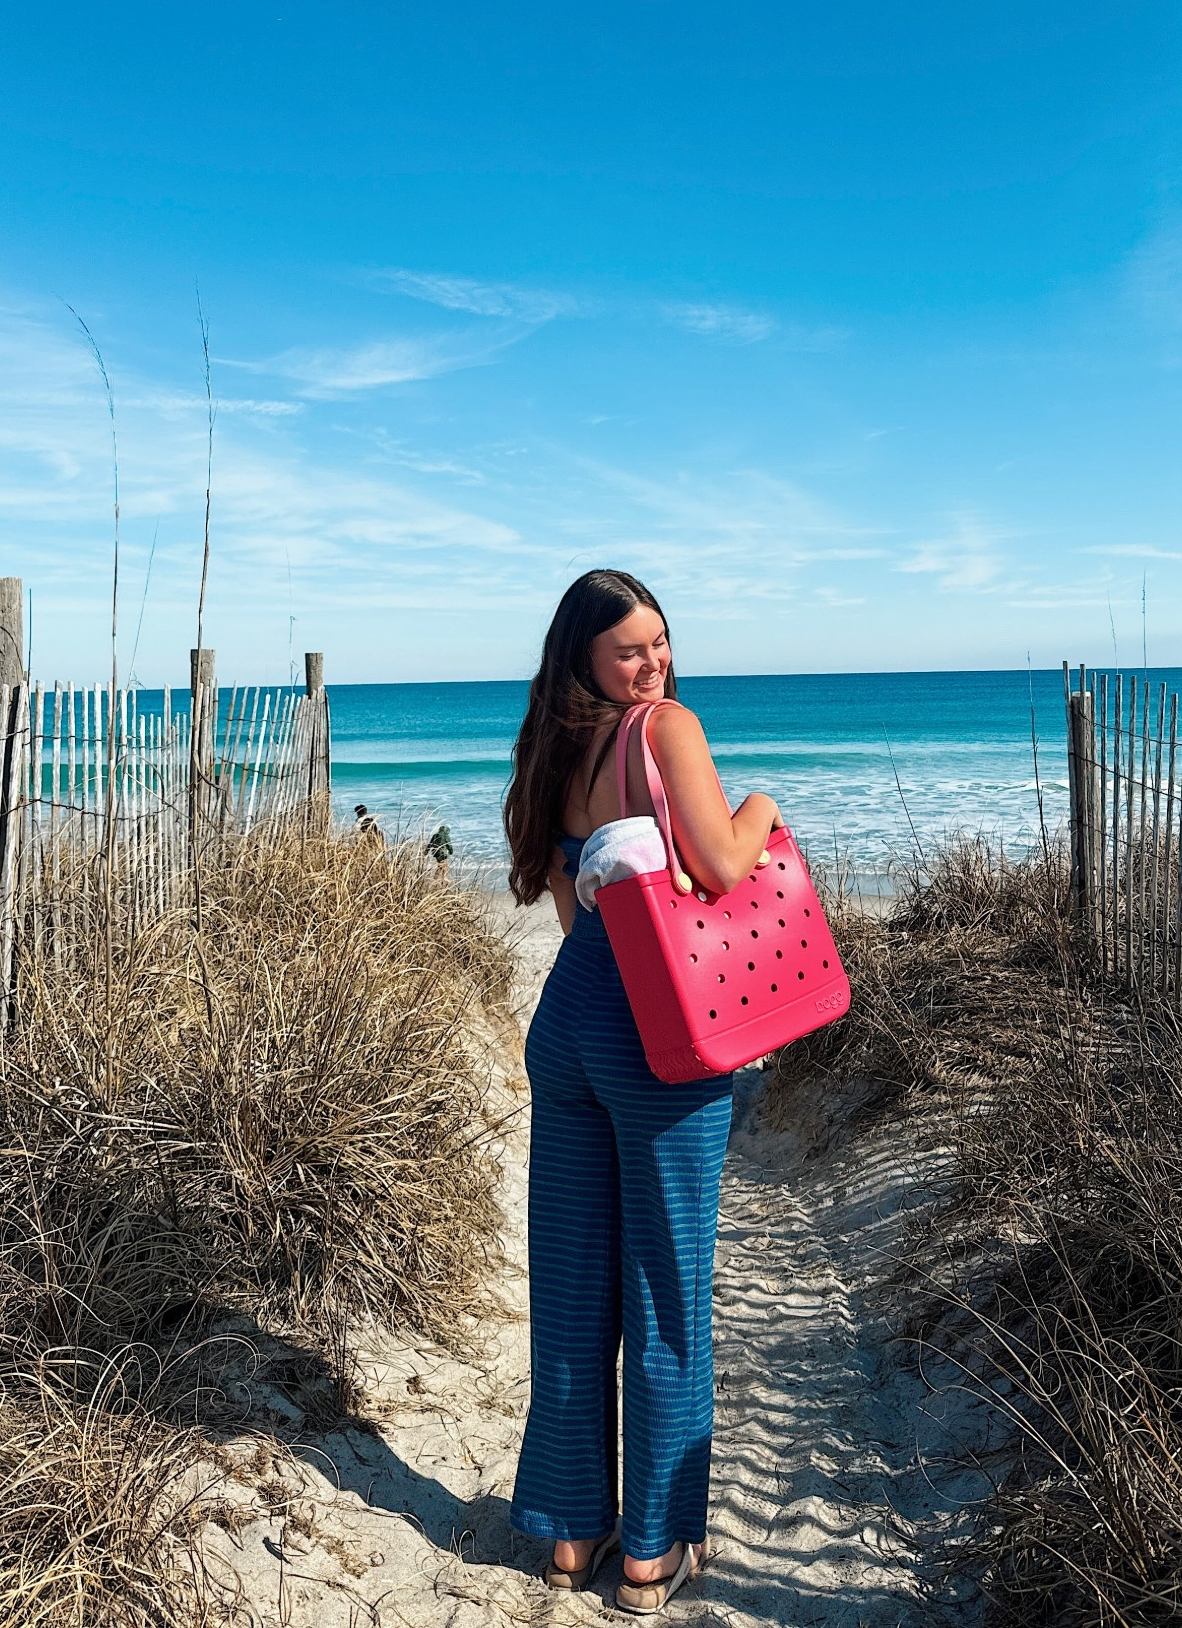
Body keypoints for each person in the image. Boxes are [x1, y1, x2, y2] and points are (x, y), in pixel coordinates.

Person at [504, 569, 781, 1614]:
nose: (653, 663)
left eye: (660, 642)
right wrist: (764, 805)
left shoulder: (553, 747)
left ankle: (571, 1533)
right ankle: (651, 1552)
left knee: (572, 1289)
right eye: (629, 648)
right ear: (586, 655)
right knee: (667, 1292)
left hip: (568, 1020)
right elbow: (715, 862)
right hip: (662, 1036)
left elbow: (579, 919)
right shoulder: (665, 728)